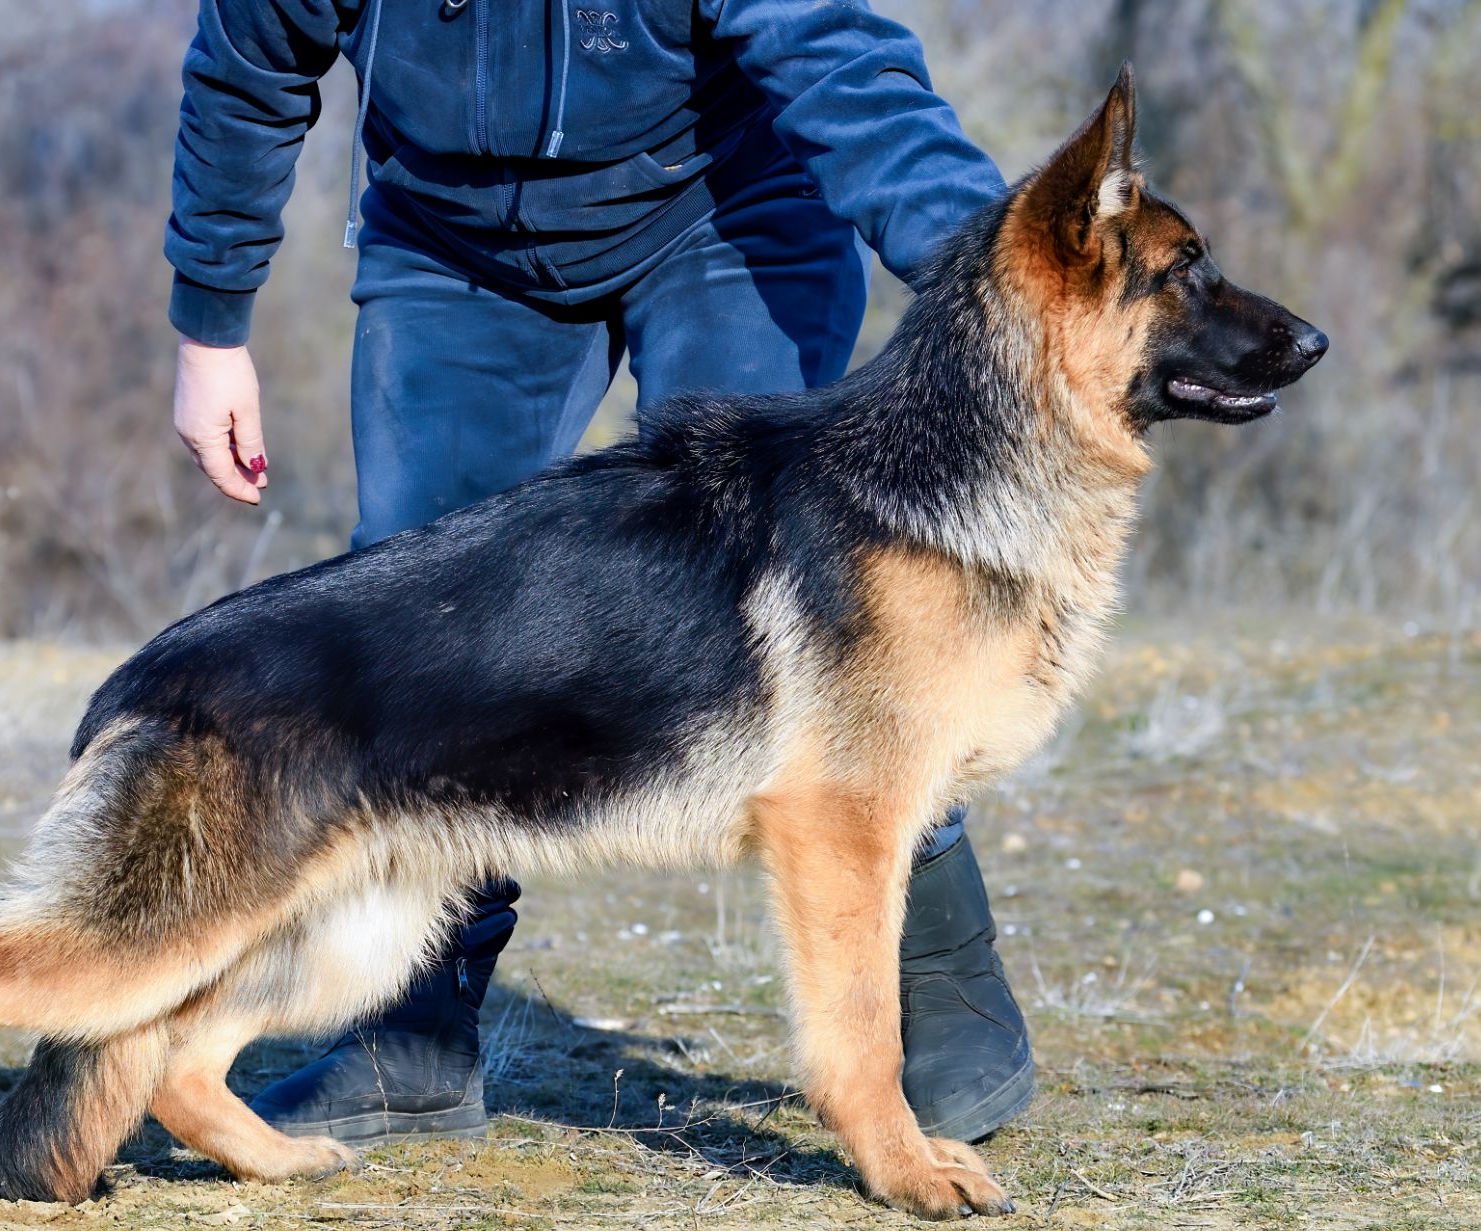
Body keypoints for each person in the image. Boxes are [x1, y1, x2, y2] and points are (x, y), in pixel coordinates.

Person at [164, 0, 1033, 1149]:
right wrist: (211, 330)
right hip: (454, 244)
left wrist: (993, 268)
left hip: (727, 212)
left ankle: (946, 993)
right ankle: (406, 1034)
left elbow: (840, 59)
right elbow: (246, 71)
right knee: (422, 627)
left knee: (820, 607)